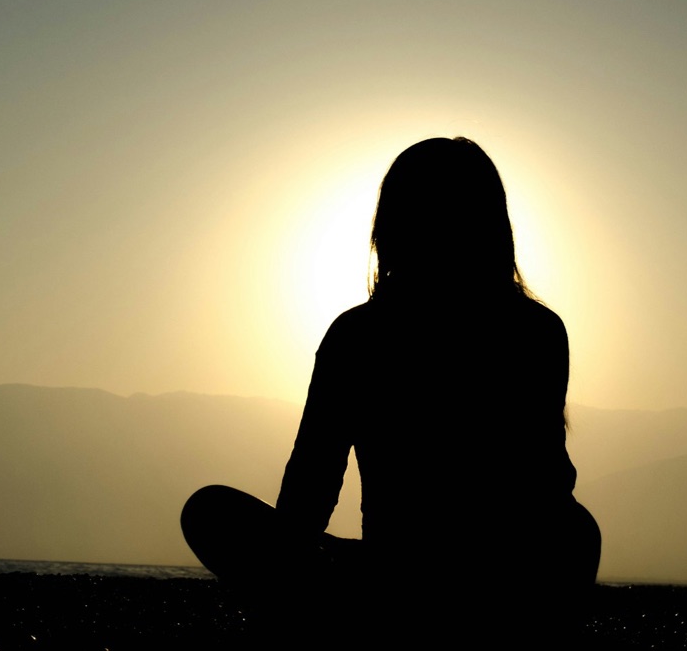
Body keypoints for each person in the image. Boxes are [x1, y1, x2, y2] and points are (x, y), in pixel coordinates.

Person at [182, 137, 600, 640]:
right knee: (576, 531)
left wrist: (286, 577)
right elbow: (547, 485)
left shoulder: (358, 335)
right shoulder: (537, 330)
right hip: (496, 581)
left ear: (390, 226)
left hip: (404, 581)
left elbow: (309, 494)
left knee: (210, 512)